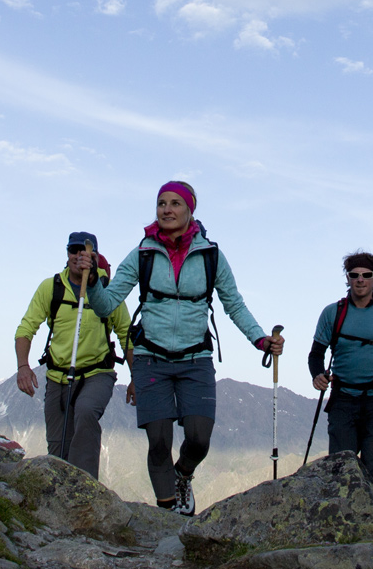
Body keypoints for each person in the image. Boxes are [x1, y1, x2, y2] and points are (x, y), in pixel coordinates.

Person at [77, 181, 284, 516]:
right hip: (149, 358)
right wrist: (96, 280)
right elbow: (106, 305)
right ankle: (168, 515)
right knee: (158, 441)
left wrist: (261, 339)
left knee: (199, 438)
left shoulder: (211, 255)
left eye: (175, 203)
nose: (167, 210)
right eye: (161, 203)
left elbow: (235, 305)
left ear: (190, 211)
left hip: (195, 358)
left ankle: (182, 475)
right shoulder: (142, 252)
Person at [13, 232, 133, 479]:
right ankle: (60, 502)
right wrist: (23, 366)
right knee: (58, 449)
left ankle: (88, 494)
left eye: (86, 251)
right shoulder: (51, 288)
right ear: (67, 255)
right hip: (58, 376)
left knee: (87, 411)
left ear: (95, 258)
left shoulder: (108, 291)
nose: (79, 255)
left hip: (97, 373)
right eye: (74, 250)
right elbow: (26, 328)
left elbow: (127, 336)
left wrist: (137, 378)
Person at [308, 252, 373, 490]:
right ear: (348, 278)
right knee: (340, 467)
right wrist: (318, 375)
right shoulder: (332, 313)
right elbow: (316, 355)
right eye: (354, 275)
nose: (360, 280)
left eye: (366, 275)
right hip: (343, 398)